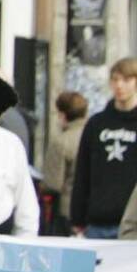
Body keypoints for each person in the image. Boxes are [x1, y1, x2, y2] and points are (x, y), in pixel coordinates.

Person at [70, 58, 137, 238]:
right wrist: (77, 217)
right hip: (97, 221)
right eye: (115, 79)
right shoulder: (96, 123)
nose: (119, 85)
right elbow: (83, 170)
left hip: (131, 224)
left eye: (126, 80)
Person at [46, 89, 89, 232]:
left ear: (62, 115)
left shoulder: (61, 141)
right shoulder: (95, 134)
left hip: (67, 211)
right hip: (90, 209)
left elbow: (53, 184)